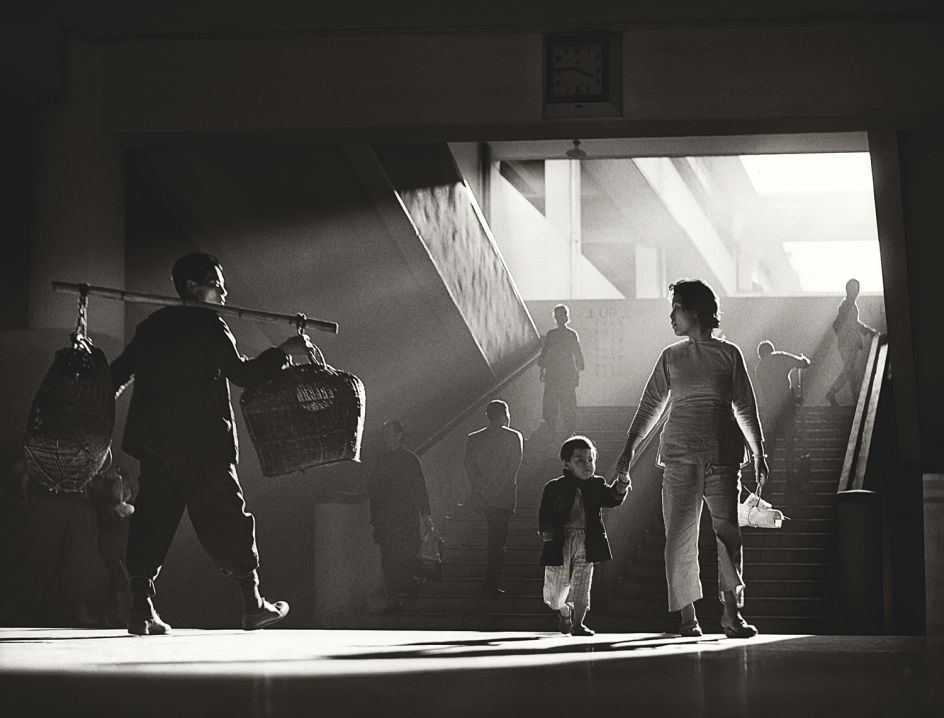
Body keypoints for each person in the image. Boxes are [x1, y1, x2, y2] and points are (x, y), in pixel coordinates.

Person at [110, 252, 312, 635]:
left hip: (157, 446)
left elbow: (117, 374)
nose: (223, 291)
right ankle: (253, 606)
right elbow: (242, 373)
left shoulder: (153, 326)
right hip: (201, 444)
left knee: (151, 522)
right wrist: (285, 352)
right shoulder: (210, 326)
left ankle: (140, 609)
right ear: (192, 287)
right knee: (229, 518)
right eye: (216, 283)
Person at [614, 279, 768, 639]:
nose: (672, 316)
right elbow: (651, 404)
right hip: (680, 456)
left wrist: (759, 452)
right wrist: (628, 449)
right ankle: (688, 618)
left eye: (677, 307)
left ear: (696, 311)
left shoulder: (729, 355)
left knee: (727, 535)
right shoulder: (671, 356)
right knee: (678, 538)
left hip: (722, 457)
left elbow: (745, 406)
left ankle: (731, 616)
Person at [539, 435, 629, 636]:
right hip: (560, 541)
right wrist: (547, 534)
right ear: (566, 463)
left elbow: (612, 498)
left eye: (590, 460)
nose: (587, 465)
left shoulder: (597, 485)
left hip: (588, 540)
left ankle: (578, 624)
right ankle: (563, 612)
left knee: (582, 583)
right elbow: (545, 514)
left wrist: (622, 483)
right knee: (556, 590)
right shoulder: (554, 488)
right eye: (579, 460)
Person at [13, 457, 106, 627]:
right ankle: (20, 607)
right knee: (38, 552)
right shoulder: (44, 437)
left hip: (77, 499)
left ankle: (79, 607)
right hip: (48, 496)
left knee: (81, 555)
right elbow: (21, 467)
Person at [368, 420, 432, 614]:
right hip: (390, 519)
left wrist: (426, 514)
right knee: (390, 558)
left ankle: (403, 596)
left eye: (388, 433)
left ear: (399, 435)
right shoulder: (387, 460)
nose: (385, 438)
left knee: (403, 556)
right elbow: (374, 491)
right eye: (384, 434)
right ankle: (397, 598)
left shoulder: (407, 460)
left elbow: (419, 488)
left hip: (403, 518)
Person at [464, 400, 523, 596]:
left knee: (491, 537)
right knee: (498, 540)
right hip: (503, 498)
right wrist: (498, 489)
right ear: (505, 415)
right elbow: (513, 466)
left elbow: (470, 467)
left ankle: (489, 580)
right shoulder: (514, 437)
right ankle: (492, 580)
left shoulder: (474, 439)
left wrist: (482, 488)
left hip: (482, 497)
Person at [754, 340, 811, 498]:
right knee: (789, 444)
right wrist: (803, 358)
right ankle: (790, 479)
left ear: (760, 354)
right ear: (772, 350)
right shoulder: (780, 357)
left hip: (771, 411)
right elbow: (803, 364)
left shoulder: (760, 368)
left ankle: (767, 483)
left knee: (769, 448)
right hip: (786, 408)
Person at [826, 278, 879, 407]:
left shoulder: (848, 305)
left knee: (850, 372)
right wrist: (867, 331)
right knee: (849, 371)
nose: (857, 291)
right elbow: (849, 323)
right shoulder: (847, 306)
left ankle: (847, 397)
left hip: (848, 343)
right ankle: (837, 394)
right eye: (855, 289)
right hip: (848, 344)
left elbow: (846, 324)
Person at [537, 304, 585, 437]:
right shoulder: (571, 334)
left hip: (553, 373)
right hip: (567, 373)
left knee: (551, 403)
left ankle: (552, 429)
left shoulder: (552, 335)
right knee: (568, 403)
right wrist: (578, 370)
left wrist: (542, 366)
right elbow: (578, 354)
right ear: (566, 317)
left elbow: (544, 354)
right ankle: (569, 430)